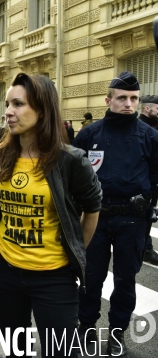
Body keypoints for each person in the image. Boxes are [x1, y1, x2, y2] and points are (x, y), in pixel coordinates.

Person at [0, 72, 102, 357]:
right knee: (16, 350)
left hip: (53, 277)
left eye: (19, 104)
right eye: (8, 104)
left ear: (42, 109)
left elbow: (93, 208)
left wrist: (74, 252)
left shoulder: (70, 160)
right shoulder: (3, 154)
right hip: (5, 271)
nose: (9, 112)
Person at [74, 71, 158, 357]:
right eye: (122, 98)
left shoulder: (150, 136)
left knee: (125, 280)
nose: (129, 104)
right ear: (108, 100)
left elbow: (156, 180)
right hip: (96, 218)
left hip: (132, 220)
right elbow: (74, 180)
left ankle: (117, 332)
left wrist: (147, 219)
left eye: (134, 99)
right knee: (90, 276)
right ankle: (86, 326)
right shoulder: (89, 134)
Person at [139, 95, 158, 266]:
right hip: (142, 184)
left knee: (149, 215)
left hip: (152, 182)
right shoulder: (142, 129)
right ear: (147, 109)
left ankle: (145, 248)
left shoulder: (153, 126)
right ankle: (145, 249)